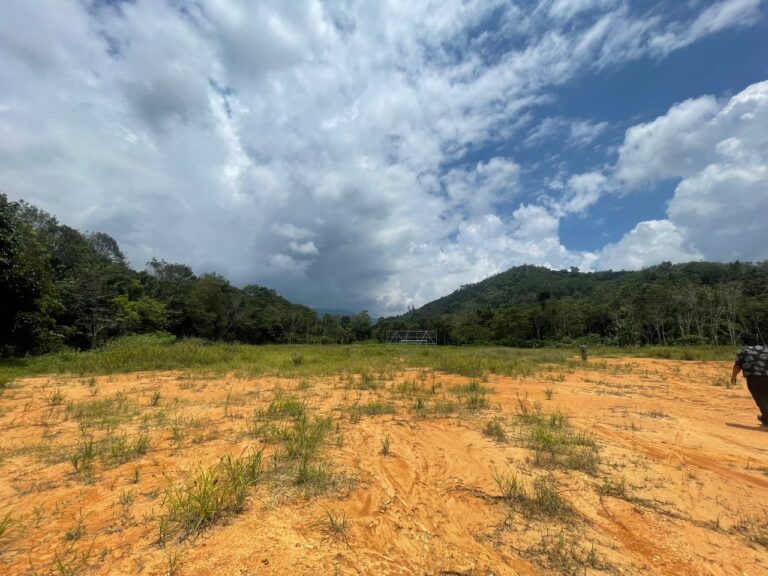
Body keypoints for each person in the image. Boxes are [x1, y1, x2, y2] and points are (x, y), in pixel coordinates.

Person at [731, 332, 768, 426]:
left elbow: (737, 366)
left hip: (754, 378)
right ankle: (765, 417)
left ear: (743, 341)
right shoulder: (766, 349)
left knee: (761, 398)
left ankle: (766, 418)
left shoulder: (742, 351)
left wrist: (733, 376)